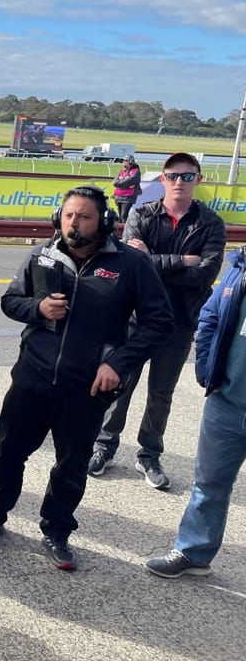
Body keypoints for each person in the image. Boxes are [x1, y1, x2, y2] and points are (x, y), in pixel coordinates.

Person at [0, 186, 172, 571]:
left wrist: (119, 364)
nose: (74, 223)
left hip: (87, 388)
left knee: (71, 464)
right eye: (69, 215)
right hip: (32, 377)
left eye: (84, 216)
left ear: (104, 221)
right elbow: (10, 301)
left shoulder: (130, 265)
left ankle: (57, 529)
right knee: (8, 450)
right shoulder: (41, 255)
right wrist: (37, 308)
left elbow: (159, 323)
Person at [89, 153, 226, 489]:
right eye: (173, 175)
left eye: (188, 176)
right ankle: (104, 446)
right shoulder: (142, 213)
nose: (180, 182)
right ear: (163, 179)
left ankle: (149, 454)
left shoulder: (211, 223)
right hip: (135, 318)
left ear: (199, 179)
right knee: (120, 383)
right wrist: (182, 261)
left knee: (161, 393)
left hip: (179, 321)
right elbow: (131, 264)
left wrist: (153, 261)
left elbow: (205, 274)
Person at [145, 245, 246, 579]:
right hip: (227, 402)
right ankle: (193, 552)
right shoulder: (242, 267)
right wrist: (207, 369)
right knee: (208, 485)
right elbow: (211, 315)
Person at [111, 155, 142, 223]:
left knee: (124, 215)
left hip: (128, 197)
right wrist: (124, 185)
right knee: (119, 217)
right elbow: (115, 182)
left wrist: (120, 184)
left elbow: (131, 181)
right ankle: (119, 232)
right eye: (123, 160)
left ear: (131, 162)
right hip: (118, 196)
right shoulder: (122, 171)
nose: (124, 162)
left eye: (126, 160)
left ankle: (126, 232)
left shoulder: (135, 171)